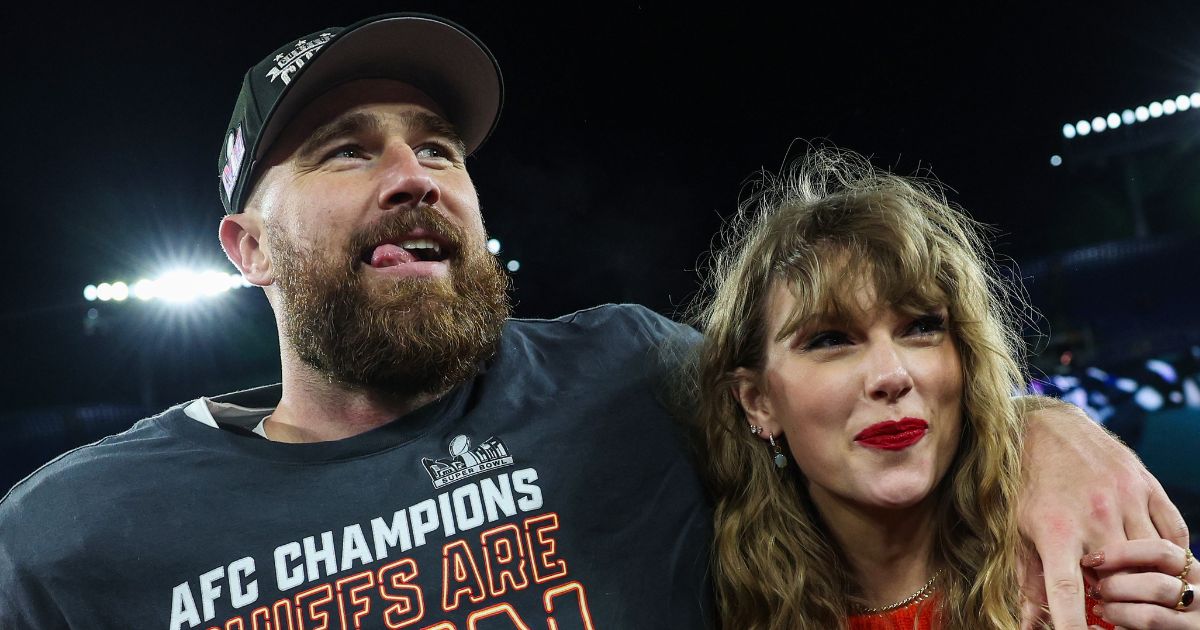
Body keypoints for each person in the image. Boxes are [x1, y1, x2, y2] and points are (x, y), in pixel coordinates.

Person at [0, 12, 1187, 630]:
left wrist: (1040, 430)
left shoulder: (629, 376)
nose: (412, 172)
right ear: (244, 249)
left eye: (439, 145)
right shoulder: (76, 537)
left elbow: (856, 386)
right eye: (346, 152)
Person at [690, 147, 1198, 629]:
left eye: (920, 327)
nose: (892, 375)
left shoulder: (1076, 579)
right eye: (830, 339)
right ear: (757, 401)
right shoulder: (702, 597)